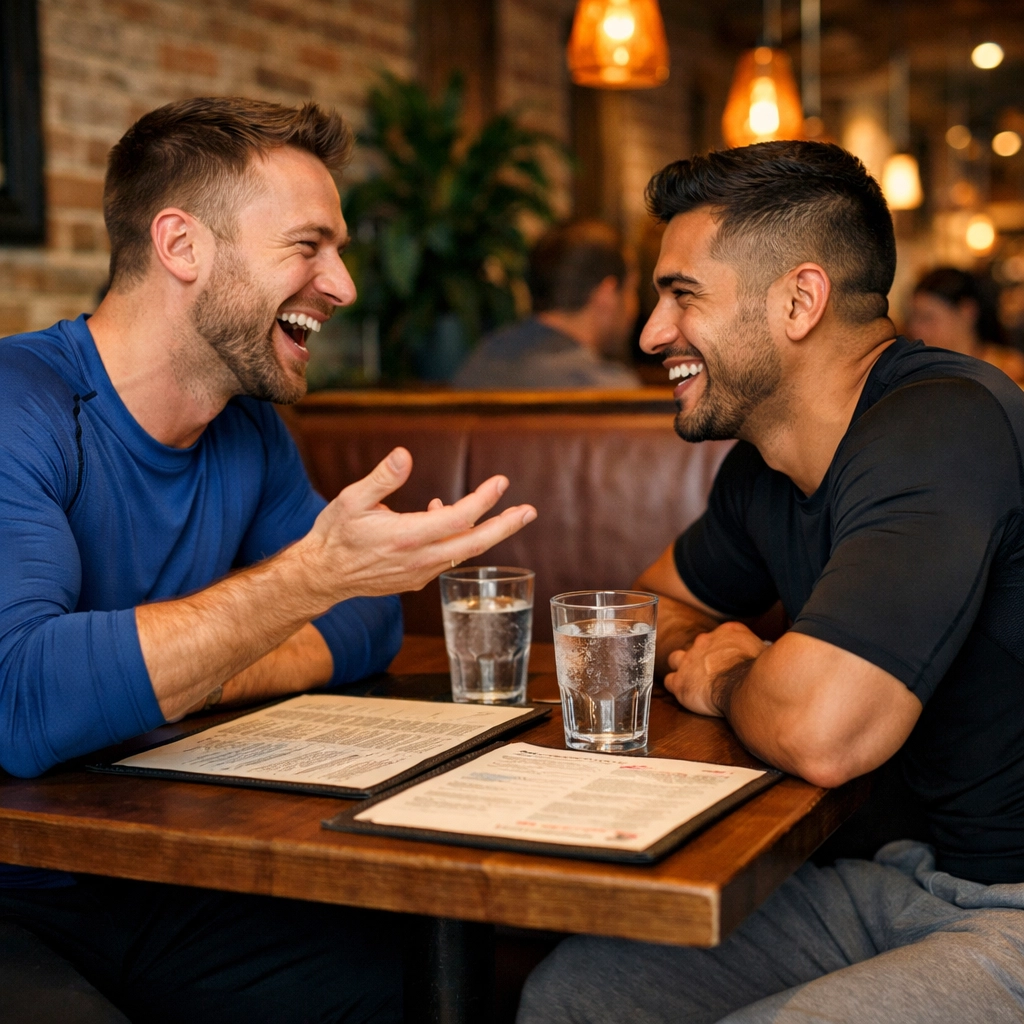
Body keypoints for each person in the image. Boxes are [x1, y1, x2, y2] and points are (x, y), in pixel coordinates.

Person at [0, 97, 536, 1024]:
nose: (344, 285)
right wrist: (305, 580)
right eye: (308, 246)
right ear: (182, 245)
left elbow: (365, 620)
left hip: (174, 879)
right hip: (21, 895)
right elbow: (22, 701)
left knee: (434, 991)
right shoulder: (22, 407)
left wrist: (196, 672)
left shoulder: (245, 427)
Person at [517, 142, 1024, 1024]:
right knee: (573, 996)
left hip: (1011, 906)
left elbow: (823, 734)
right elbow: (651, 609)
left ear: (799, 300)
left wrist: (727, 677)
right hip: (893, 880)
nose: (651, 334)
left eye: (682, 295)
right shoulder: (764, 469)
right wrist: (717, 655)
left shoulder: (946, 423)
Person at [453, 220, 641, 389]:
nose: (634, 307)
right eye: (632, 289)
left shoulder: (478, 363)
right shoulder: (607, 389)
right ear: (607, 295)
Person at [908, 265, 1024, 386]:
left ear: (967, 311)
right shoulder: (919, 375)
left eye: (927, 318)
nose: (916, 328)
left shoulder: (1010, 374)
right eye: (913, 318)